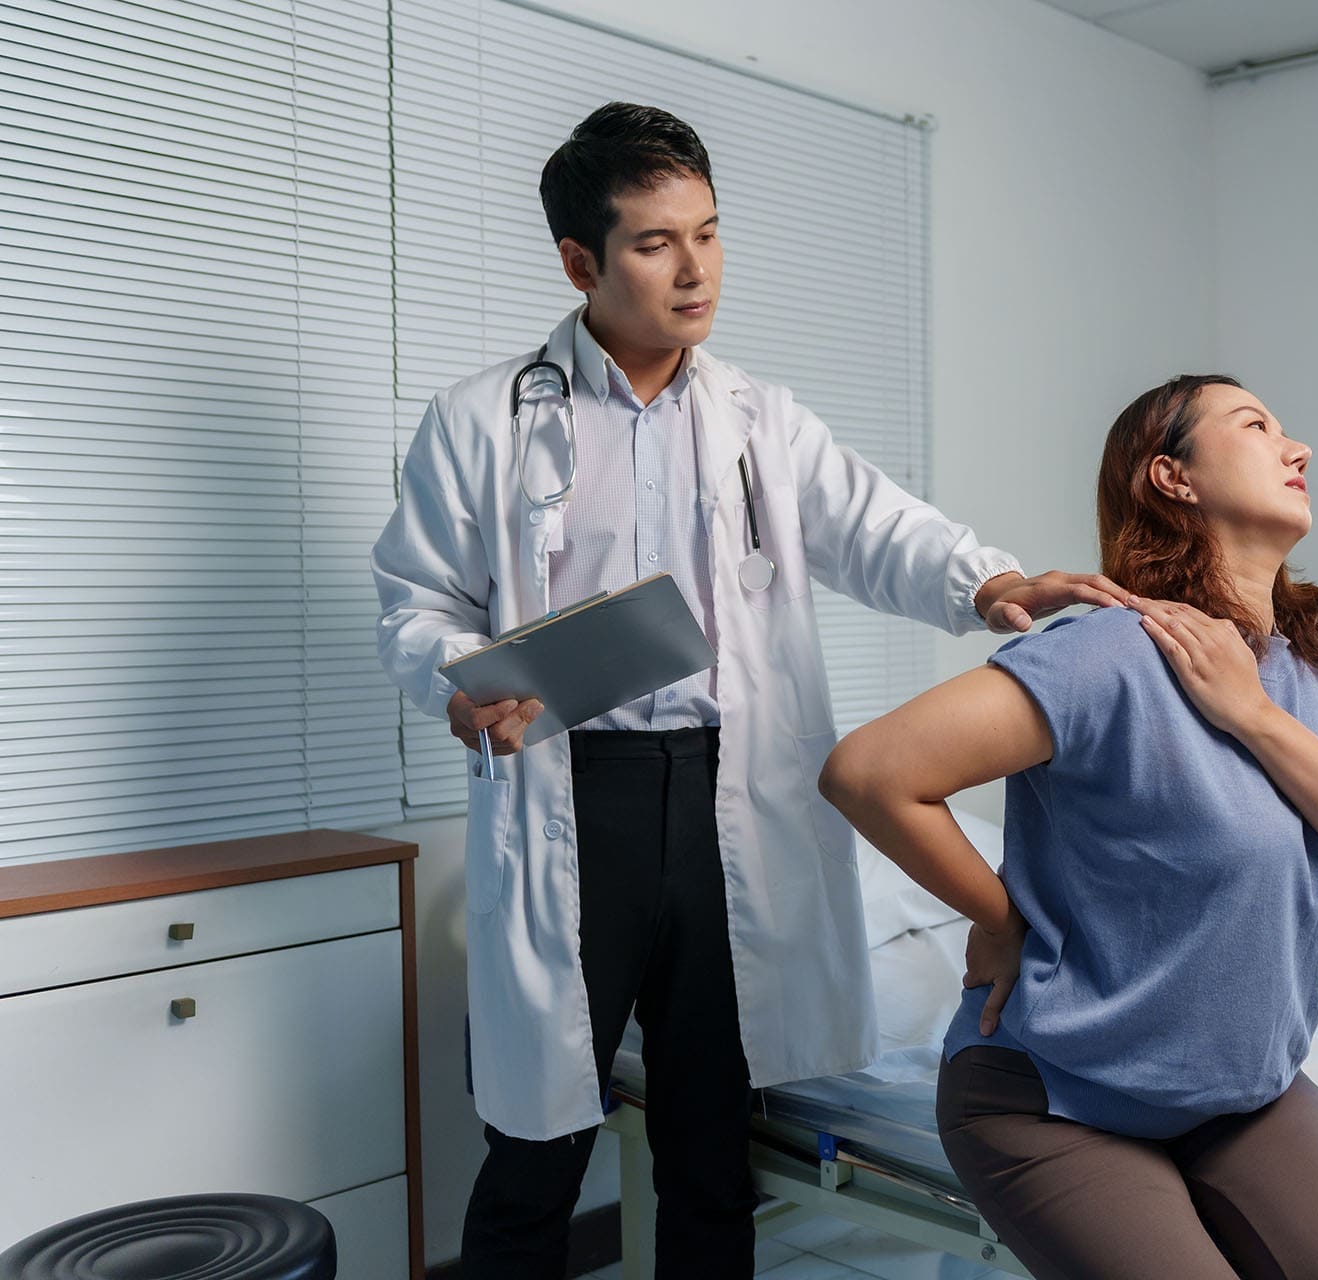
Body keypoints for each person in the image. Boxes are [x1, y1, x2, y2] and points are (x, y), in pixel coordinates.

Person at [370, 102, 1126, 1279]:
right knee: (536, 1147)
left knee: (711, 1137)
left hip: (727, 795)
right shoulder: (483, 419)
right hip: (578, 794)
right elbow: (416, 601)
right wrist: (457, 687)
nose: (696, 269)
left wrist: (991, 582)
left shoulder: (760, 419)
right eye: (655, 243)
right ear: (579, 262)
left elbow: (882, 527)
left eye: (709, 234)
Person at [819, 374, 1318, 1280]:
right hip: (1055, 1098)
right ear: (1173, 477)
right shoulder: (1114, 652)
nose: (1298, 447)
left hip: (1243, 1097)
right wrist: (1003, 919)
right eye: (1256, 426)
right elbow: (869, 773)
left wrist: (1255, 716)